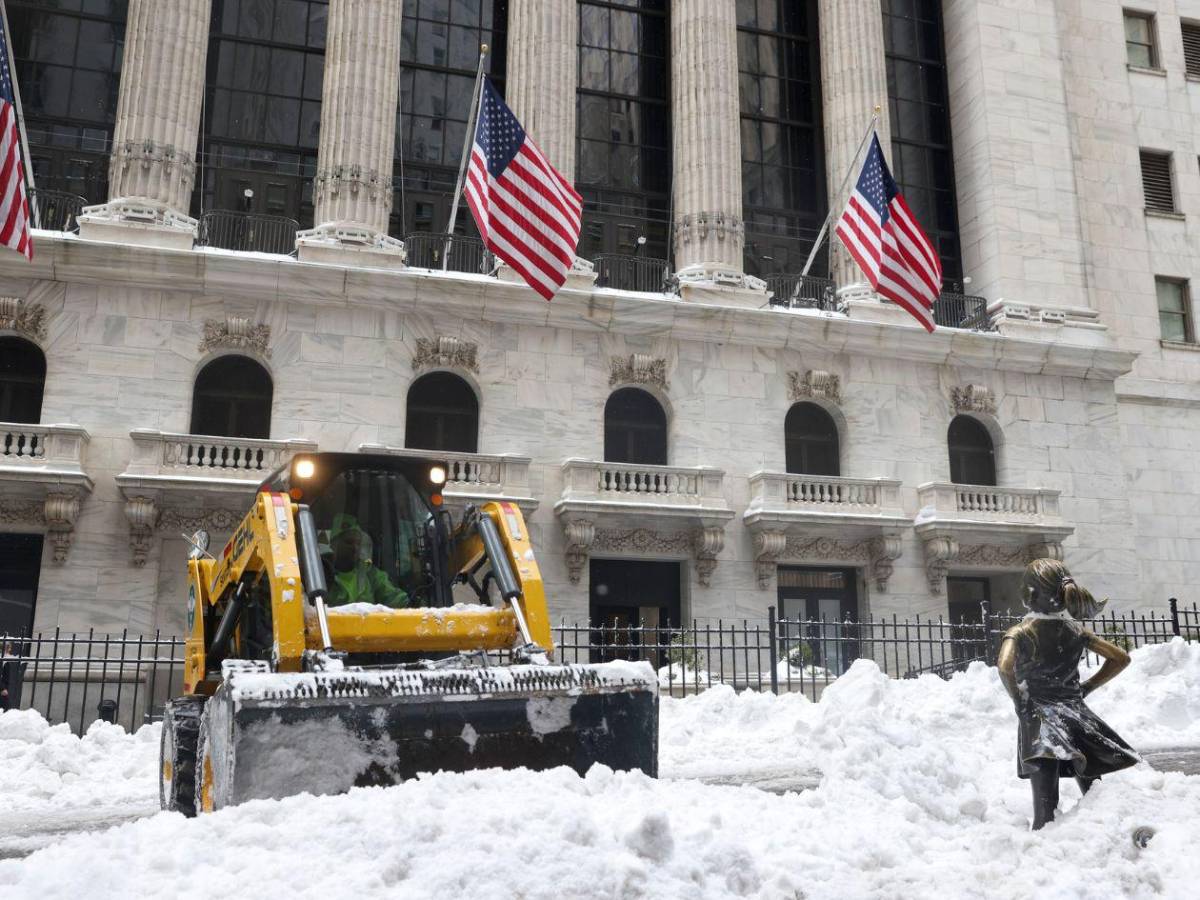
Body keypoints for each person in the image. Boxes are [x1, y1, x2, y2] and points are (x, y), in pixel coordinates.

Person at [997, 559, 1139, 830]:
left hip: (1039, 717)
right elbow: (1120, 658)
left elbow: (1005, 668)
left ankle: (1045, 843)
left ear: (1028, 595)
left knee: (1045, 806)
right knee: (1096, 793)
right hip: (1076, 715)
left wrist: (1019, 699)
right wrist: (1087, 687)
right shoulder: (1075, 630)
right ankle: (1109, 831)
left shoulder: (1020, 632)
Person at [322, 513, 409, 609]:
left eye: (358, 543)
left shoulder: (369, 572)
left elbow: (394, 598)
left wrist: (411, 605)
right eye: (349, 542)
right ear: (334, 544)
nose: (355, 548)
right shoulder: (320, 573)